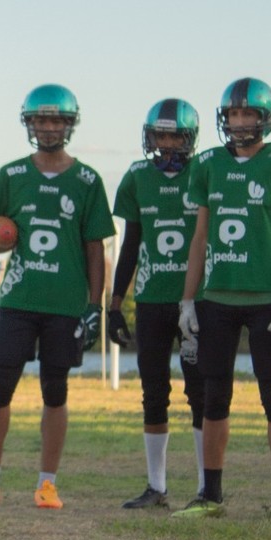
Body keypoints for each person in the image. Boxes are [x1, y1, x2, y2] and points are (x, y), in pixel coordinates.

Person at [0, 84, 114, 510]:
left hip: (65, 302)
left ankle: (47, 484)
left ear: (69, 124)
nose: (47, 128)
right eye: (40, 120)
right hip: (20, 297)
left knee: (56, 389)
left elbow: (94, 248)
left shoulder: (86, 180)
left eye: (55, 120)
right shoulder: (11, 174)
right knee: (0, 386)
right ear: (28, 123)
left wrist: (94, 306)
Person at [172, 77, 271, 522]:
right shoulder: (208, 164)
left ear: (264, 117)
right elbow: (199, 238)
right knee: (214, 396)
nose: (240, 121)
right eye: (233, 114)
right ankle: (210, 495)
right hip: (217, 298)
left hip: (269, 299)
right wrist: (187, 300)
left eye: (248, 113)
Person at [108, 99, 206, 509]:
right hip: (150, 298)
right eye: (159, 134)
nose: (165, 143)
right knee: (153, 391)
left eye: (173, 135)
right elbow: (131, 243)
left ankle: (206, 487)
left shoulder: (206, 172)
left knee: (201, 392)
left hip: (195, 301)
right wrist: (115, 303)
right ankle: (157, 486)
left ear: (188, 139)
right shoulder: (136, 177)